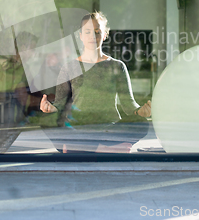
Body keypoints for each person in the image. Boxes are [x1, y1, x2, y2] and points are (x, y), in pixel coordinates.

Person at [40, 11, 151, 152]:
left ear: (105, 35)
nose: (93, 36)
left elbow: (128, 104)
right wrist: (50, 108)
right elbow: (60, 104)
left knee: (142, 124)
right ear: (81, 36)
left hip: (108, 130)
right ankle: (105, 149)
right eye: (87, 32)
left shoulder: (117, 66)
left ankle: (82, 149)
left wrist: (139, 111)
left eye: (97, 31)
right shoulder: (69, 67)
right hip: (77, 129)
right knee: (46, 120)